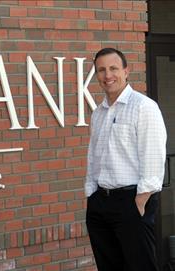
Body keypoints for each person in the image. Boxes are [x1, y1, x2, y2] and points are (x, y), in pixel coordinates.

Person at [85, 48, 167, 271]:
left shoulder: (144, 107)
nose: (107, 75)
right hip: (100, 202)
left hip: (132, 201)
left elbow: (153, 156)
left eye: (113, 68)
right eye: (101, 70)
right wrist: (91, 194)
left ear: (126, 71)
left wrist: (140, 200)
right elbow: (94, 157)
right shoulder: (98, 113)